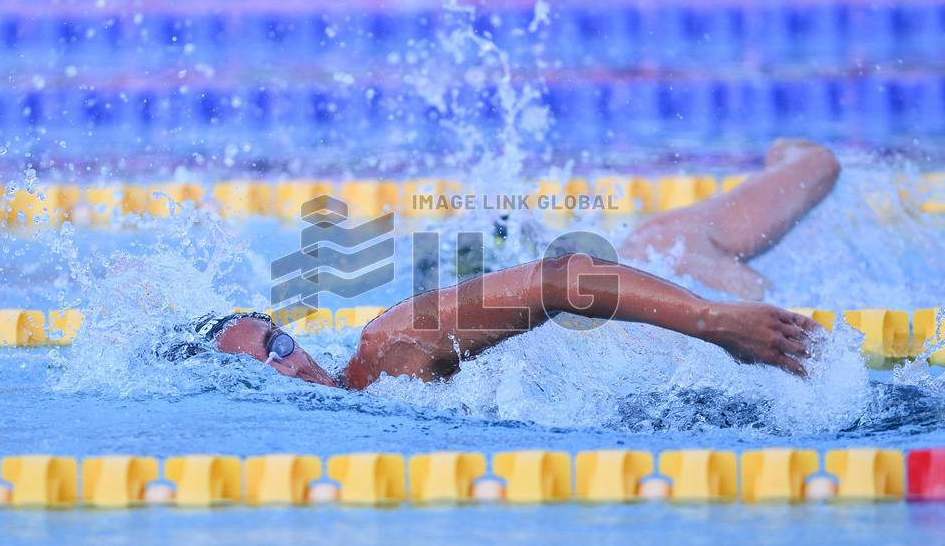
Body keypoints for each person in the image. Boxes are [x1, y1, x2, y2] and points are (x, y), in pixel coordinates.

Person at [175, 139, 841, 390]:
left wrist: (717, 322)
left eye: (277, 343)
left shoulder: (387, 347)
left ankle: (801, 156)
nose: (287, 367)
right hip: (647, 338)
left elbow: (563, 276)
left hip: (673, 310)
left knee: (679, 238)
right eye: (258, 373)